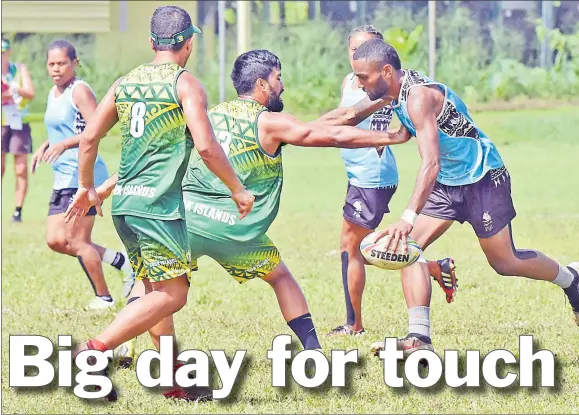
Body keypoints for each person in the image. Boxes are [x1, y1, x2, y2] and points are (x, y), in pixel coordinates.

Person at [95, 48, 414, 368]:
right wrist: (390, 137)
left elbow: (159, 159)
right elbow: (327, 134)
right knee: (281, 278)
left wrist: (104, 188)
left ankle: (130, 348)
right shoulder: (271, 123)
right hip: (236, 230)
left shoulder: (209, 114)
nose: (283, 85)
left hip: (188, 221)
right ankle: (314, 351)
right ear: (262, 85)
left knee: (152, 283)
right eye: (278, 78)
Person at [65, 6, 254, 401]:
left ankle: (173, 379)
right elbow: (205, 145)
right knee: (174, 294)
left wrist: (87, 187)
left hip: (125, 209)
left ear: (152, 42)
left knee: (155, 290)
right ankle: (92, 354)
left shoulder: (125, 83)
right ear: (189, 42)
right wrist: (237, 188)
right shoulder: (186, 85)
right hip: (157, 209)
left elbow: (88, 139)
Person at [347, 38, 579, 356]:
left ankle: (571, 279)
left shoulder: (418, 96)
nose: (359, 84)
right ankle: (419, 339)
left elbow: (430, 163)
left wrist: (407, 217)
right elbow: (348, 116)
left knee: (504, 262)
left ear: (386, 71)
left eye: (363, 77)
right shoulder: (392, 93)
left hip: (483, 177)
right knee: (408, 247)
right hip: (446, 184)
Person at [326, 25, 457, 338]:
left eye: (366, 48)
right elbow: (343, 114)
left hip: (373, 175)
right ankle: (433, 268)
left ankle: (354, 325)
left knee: (354, 248)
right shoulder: (353, 80)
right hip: (356, 175)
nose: (358, 55)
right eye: (353, 49)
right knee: (362, 249)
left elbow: (350, 118)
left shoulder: (382, 89)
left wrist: (302, 131)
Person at [30, 40, 134, 309]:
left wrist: (64, 144)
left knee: (77, 240)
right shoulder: (54, 93)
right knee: (56, 240)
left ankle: (104, 297)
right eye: (51, 64)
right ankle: (121, 261)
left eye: (62, 63)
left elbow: (98, 130)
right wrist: (45, 146)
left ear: (75, 63)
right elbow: (60, 131)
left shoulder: (80, 91)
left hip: (83, 177)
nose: (56, 69)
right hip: (62, 177)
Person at [1, 38, 35, 223]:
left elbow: (30, 92)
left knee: (20, 169)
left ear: (8, 52)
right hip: (1, 123)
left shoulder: (19, 69)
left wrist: (15, 90)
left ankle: (17, 212)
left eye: (3, 52)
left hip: (19, 122)